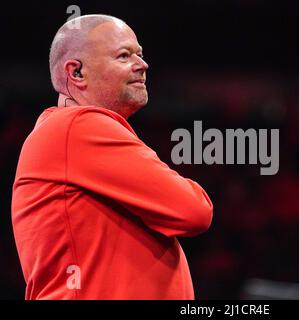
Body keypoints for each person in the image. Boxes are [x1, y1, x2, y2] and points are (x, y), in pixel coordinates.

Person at [11, 14, 213, 300]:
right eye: (123, 55)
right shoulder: (78, 126)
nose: (142, 64)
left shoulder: (67, 132)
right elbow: (194, 210)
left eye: (140, 54)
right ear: (76, 72)